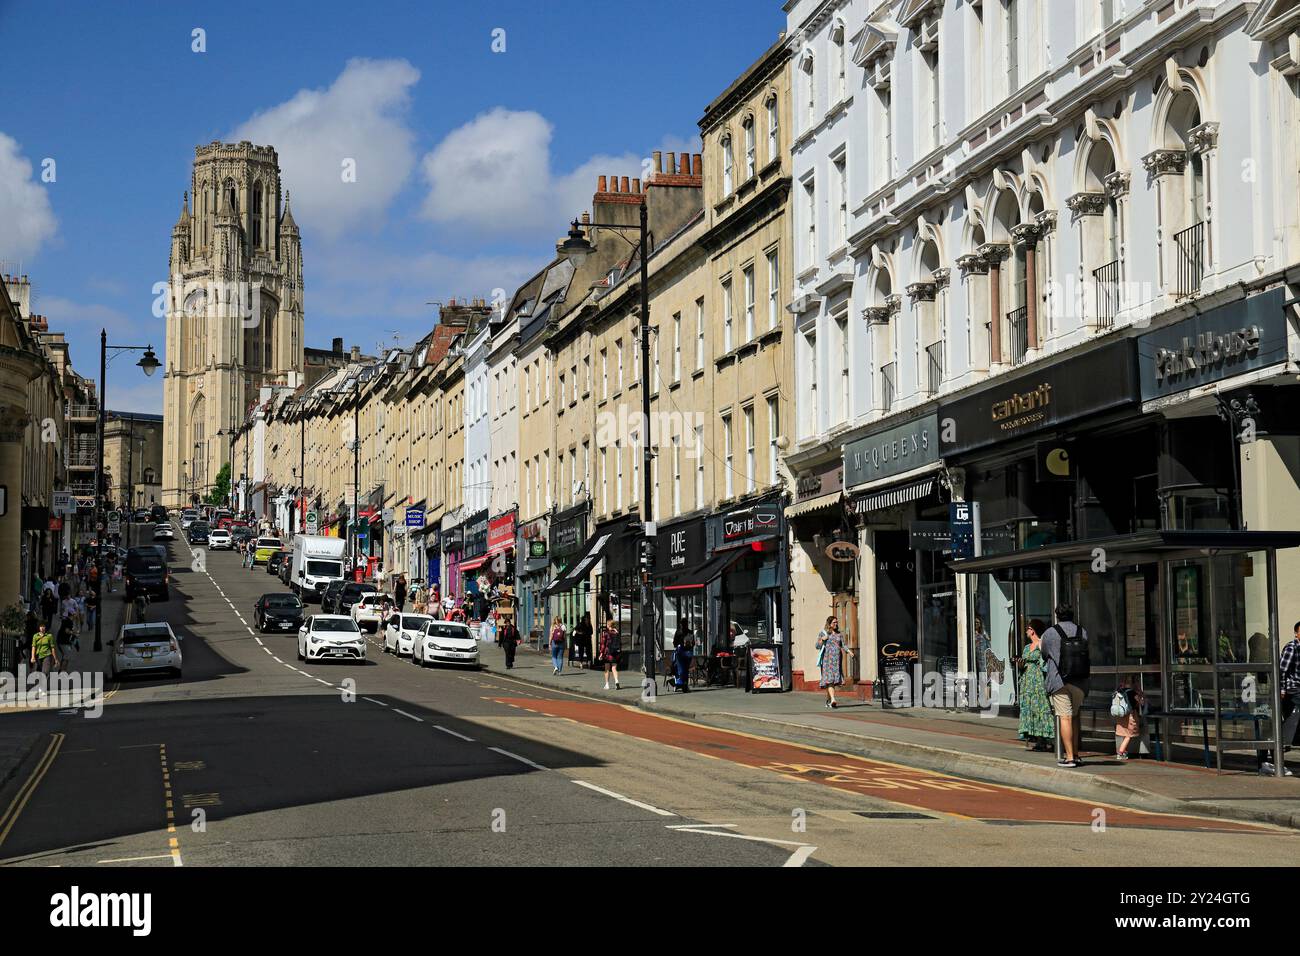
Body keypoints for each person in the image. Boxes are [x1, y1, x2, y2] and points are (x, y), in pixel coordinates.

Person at [1041, 604, 1090, 768]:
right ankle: (1076, 754)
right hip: (1080, 681)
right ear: (1072, 615)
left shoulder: (1049, 633)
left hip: (1059, 681)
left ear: (1057, 615)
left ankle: (1069, 758)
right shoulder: (1082, 631)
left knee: (1065, 717)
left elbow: (1044, 654)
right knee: (1075, 717)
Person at [1260, 621, 1300, 776]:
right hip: (1292, 691)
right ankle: (1274, 755)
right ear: (1296, 633)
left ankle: (1278, 751)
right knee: (1290, 721)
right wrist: (1282, 689)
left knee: (1289, 723)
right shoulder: (1292, 648)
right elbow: (1281, 670)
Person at [1016, 619, 1054, 752]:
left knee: (1041, 708)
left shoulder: (1041, 644)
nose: (1026, 630)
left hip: (1038, 681)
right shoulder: (1027, 647)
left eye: (1028, 628)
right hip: (1027, 680)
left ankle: (1046, 740)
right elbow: (1024, 664)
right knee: (1030, 709)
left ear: (1033, 630)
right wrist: (1020, 664)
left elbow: (1045, 663)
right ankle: (1037, 739)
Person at [816, 616, 853, 709]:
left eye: (836, 622)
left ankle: (828, 701)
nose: (836, 624)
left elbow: (843, 645)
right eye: (834, 622)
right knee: (829, 680)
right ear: (829, 624)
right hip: (827, 660)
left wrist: (849, 651)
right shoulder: (823, 633)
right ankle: (833, 699)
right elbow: (817, 646)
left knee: (832, 681)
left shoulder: (839, 634)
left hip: (837, 661)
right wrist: (822, 639)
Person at [1114, 676, 1146, 761]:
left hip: (1121, 716)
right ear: (1133, 683)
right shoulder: (1132, 693)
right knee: (1128, 735)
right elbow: (1142, 702)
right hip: (1130, 716)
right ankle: (1120, 752)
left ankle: (1123, 751)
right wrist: (1141, 694)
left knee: (1125, 733)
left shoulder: (1119, 691)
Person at [599, 618, 622, 690]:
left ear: (608, 625)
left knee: (607, 669)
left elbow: (603, 644)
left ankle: (607, 684)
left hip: (608, 653)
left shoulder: (606, 633)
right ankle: (616, 682)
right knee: (614, 668)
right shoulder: (617, 633)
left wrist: (601, 654)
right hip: (615, 653)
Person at [672, 626, 694, 693]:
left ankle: (684, 685)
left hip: (683, 659)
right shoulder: (680, 647)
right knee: (682, 670)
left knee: (684, 670)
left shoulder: (687, 647)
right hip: (680, 660)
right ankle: (682, 684)